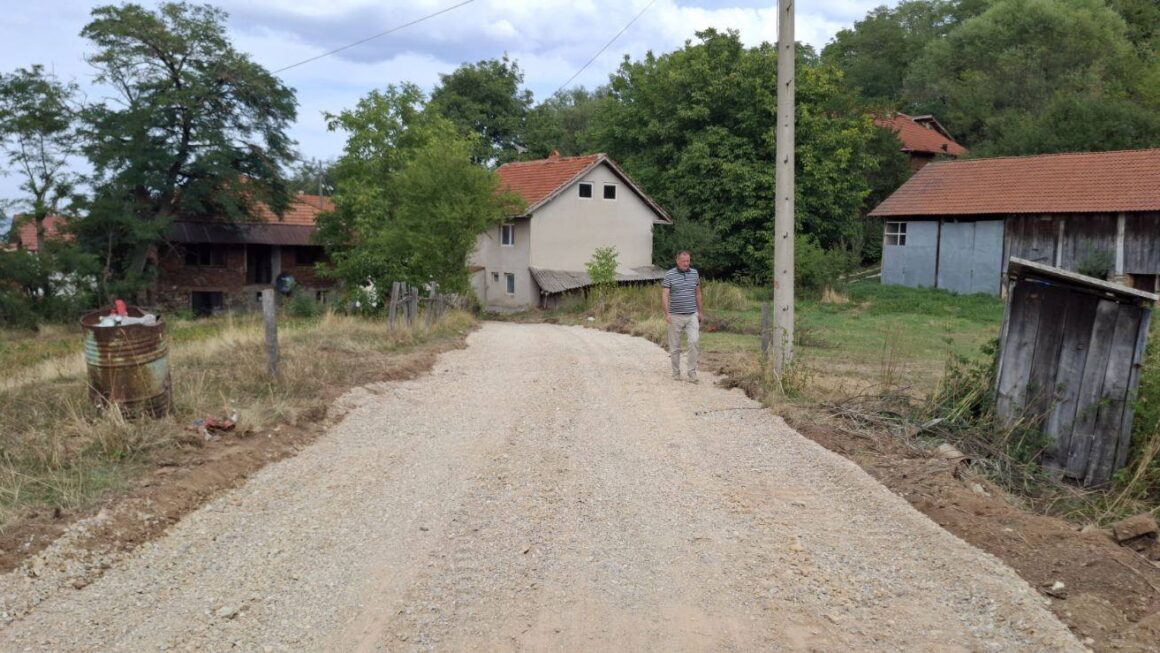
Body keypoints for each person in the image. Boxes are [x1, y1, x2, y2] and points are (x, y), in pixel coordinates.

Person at [661, 251, 703, 383]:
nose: (686, 263)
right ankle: (676, 372)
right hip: (675, 315)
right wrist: (667, 313)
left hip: (692, 314)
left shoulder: (694, 273)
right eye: (684, 261)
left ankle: (692, 372)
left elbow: (698, 293)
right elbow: (665, 295)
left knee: (694, 341)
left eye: (688, 261)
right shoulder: (669, 275)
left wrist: (700, 311)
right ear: (677, 261)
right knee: (675, 346)